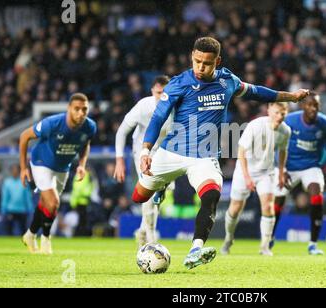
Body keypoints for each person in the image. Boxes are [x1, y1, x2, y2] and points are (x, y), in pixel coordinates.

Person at [133, 37, 310, 269]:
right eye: (196, 61)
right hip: (171, 153)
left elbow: (256, 92)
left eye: (206, 63)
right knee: (139, 197)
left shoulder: (228, 81)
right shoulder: (179, 83)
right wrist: (146, 150)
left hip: (205, 158)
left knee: (211, 196)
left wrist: (291, 96)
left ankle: (194, 250)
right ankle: (161, 187)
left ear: (218, 61)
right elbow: (158, 117)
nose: (200, 67)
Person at [19, 93, 97, 254]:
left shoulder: (90, 127)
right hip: (41, 162)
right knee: (53, 202)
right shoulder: (52, 124)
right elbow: (24, 137)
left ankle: (30, 234)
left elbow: (85, 145)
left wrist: (82, 165)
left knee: (46, 203)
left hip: (63, 166)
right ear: (69, 109)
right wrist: (23, 168)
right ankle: (46, 239)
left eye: (84, 109)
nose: (81, 113)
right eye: (77, 109)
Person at [221, 102, 291, 256]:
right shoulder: (255, 126)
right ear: (269, 110)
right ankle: (228, 238)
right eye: (277, 112)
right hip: (244, 170)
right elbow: (241, 152)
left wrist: (281, 173)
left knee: (268, 207)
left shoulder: (285, 130)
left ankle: (264, 246)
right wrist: (247, 177)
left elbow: (282, 151)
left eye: (283, 114)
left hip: (266, 172)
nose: (280, 117)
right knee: (235, 209)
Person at [272, 94, 326, 255]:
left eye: (316, 105)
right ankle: (269, 237)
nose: (313, 109)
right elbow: (276, 144)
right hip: (288, 166)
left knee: (317, 192)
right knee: (278, 198)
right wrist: (282, 170)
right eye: (309, 105)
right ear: (302, 106)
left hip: (311, 166)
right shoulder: (289, 121)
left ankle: (313, 244)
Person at [114, 75, 172, 246]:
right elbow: (121, 131)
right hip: (142, 150)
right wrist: (119, 159)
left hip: (163, 152)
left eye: (164, 93)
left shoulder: (175, 106)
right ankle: (151, 236)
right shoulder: (143, 107)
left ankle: (142, 229)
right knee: (149, 191)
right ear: (152, 91)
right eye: (158, 92)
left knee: (160, 194)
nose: (161, 96)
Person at [1, 164, 34, 235]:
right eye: (13, 170)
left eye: (16, 170)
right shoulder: (7, 183)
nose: (14, 171)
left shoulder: (23, 182)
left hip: (22, 210)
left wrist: (30, 208)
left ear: (19, 171)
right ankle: (8, 245)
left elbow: (27, 197)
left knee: (23, 229)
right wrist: (3, 209)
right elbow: (5, 197)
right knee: (8, 230)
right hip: (10, 210)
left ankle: (24, 243)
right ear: (11, 171)